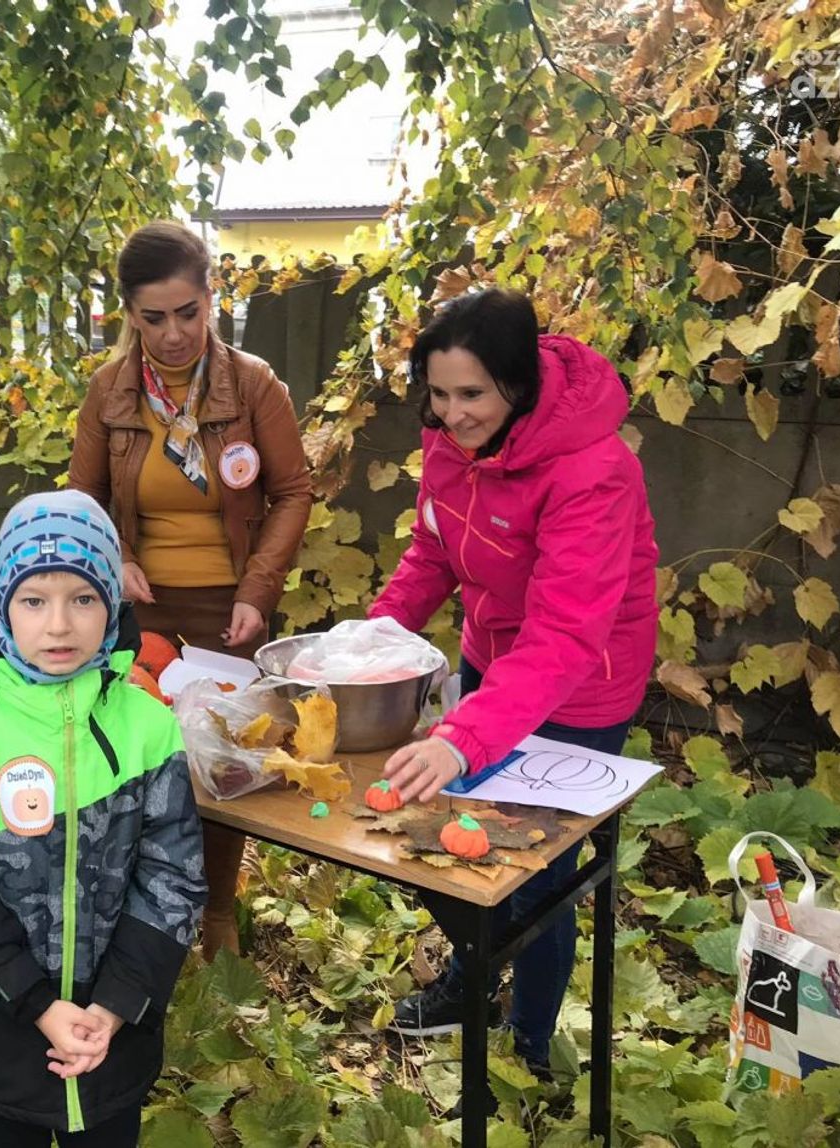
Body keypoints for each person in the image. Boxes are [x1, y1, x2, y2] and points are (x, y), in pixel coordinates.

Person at [367, 289, 658, 1070]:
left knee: (535, 870)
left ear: (517, 385)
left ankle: (530, 1043)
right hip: (493, 659)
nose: (452, 414)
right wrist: (369, 641)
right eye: (438, 394)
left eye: (472, 394)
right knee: (459, 844)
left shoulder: (592, 470)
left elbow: (566, 633)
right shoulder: (449, 443)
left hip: (582, 686)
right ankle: (472, 984)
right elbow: (432, 554)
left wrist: (462, 737)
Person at [0, 491, 206, 1148]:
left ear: (113, 603)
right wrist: (36, 1004)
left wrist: (116, 1004)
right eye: (35, 600)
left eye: (84, 598)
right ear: (4, 605)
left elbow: (173, 877)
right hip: (1, 1034)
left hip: (111, 1041)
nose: (60, 625)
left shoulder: (150, 727)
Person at [67, 220, 311, 960]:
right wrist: (114, 559)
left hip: (228, 612)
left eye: (188, 312)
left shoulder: (254, 385)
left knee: (223, 765)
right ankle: (139, 912)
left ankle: (218, 915)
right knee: (135, 763)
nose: (173, 334)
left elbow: (293, 492)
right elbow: (82, 499)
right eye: (154, 318)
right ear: (129, 315)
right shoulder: (109, 391)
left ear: (211, 300)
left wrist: (257, 590)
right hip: (137, 612)